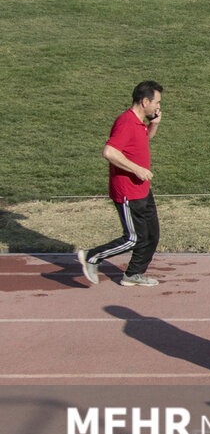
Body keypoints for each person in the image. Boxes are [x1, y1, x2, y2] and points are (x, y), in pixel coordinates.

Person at [77, 81, 164, 287]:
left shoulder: (139, 121)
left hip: (142, 189)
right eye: (157, 102)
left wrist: (155, 124)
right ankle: (91, 256)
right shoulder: (125, 122)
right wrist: (137, 169)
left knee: (151, 236)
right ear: (145, 101)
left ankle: (133, 274)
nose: (158, 106)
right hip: (128, 192)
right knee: (134, 238)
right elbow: (109, 152)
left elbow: (142, 142)